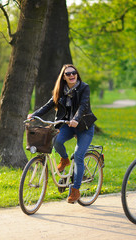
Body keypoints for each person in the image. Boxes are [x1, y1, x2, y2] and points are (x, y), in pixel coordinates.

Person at [28, 64, 97, 203]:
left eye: (74, 73)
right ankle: (64, 159)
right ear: (64, 77)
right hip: (68, 125)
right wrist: (34, 115)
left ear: (77, 74)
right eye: (68, 74)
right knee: (56, 141)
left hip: (84, 126)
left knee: (78, 155)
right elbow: (49, 105)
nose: (72, 75)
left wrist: (76, 119)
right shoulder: (60, 90)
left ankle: (75, 190)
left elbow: (83, 106)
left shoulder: (84, 87)